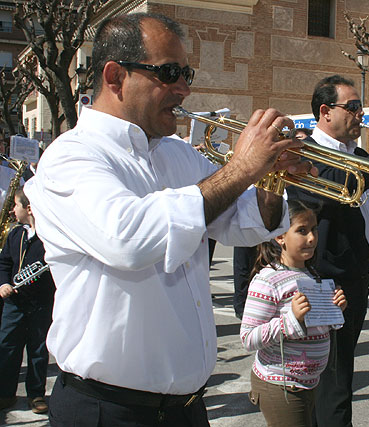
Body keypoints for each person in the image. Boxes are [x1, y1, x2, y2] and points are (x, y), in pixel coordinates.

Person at [23, 13, 313, 426]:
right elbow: (129, 240)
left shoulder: (177, 153)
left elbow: (241, 224)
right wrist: (241, 168)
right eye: (169, 73)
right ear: (114, 77)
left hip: (186, 409)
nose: (185, 88)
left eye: (186, 73)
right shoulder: (72, 156)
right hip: (107, 411)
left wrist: (272, 179)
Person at [286, 75, 369, 426]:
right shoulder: (309, 154)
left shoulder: (359, 156)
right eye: (353, 107)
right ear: (325, 111)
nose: (361, 114)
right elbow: (339, 184)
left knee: (340, 370)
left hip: (357, 280)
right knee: (331, 381)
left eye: (361, 107)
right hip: (324, 282)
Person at [240, 199, 347, 426]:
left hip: (308, 383)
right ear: (280, 237)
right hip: (280, 385)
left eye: (314, 229)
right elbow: (248, 338)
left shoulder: (313, 274)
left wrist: (335, 311)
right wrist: (291, 320)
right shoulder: (268, 280)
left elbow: (318, 326)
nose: (312, 238)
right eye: (302, 231)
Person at [232, 129, 314, 320]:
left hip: (284, 238)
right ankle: (244, 307)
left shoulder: (298, 172)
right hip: (255, 223)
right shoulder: (263, 167)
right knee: (245, 265)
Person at [0, 187, 55, 414]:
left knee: (38, 350)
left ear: (29, 208)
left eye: (16, 205)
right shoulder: (15, 234)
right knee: (7, 347)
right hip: (14, 303)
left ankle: (36, 394)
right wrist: (3, 283)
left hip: (40, 304)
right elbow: (4, 263)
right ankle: (5, 393)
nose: (13, 210)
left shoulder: (50, 237)